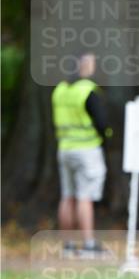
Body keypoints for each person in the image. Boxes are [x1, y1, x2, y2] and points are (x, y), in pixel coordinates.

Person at [51, 53, 111, 256]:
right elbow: (102, 123)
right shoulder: (87, 91)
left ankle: (67, 245)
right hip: (86, 149)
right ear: (82, 66)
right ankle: (88, 245)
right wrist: (108, 136)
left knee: (67, 196)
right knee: (85, 197)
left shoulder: (60, 90)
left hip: (65, 148)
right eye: (91, 63)